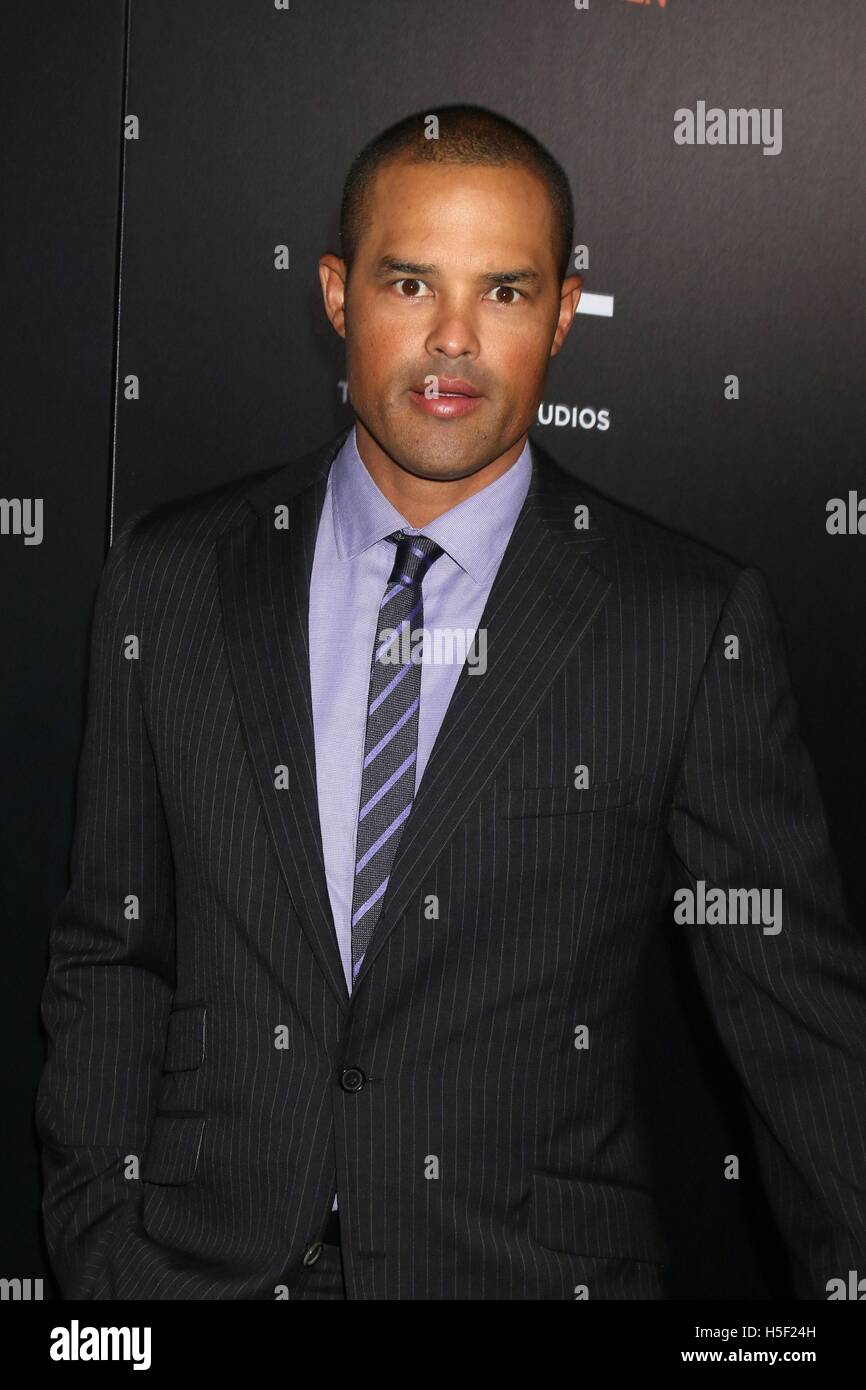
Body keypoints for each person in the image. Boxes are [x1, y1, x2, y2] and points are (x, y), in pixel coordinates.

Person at [36, 104, 866, 1300]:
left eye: (507, 292)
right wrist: (100, 1259)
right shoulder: (169, 577)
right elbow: (111, 953)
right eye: (411, 282)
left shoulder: (678, 618)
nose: (453, 340)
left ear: (565, 315)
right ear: (337, 294)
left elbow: (798, 1026)